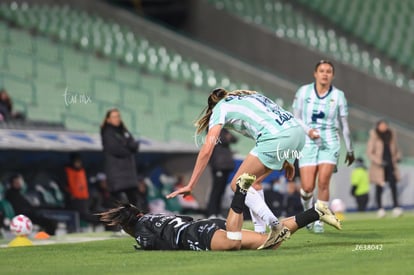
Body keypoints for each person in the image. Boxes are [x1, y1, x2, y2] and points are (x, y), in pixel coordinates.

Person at [166, 88, 341, 248]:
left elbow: (207, 149)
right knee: (253, 183)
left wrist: (191, 184)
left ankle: (276, 226)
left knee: (237, 184)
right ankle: (260, 234)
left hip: (277, 138)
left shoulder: (220, 109)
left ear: (212, 107)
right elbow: (276, 117)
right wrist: (287, 158)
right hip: (296, 133)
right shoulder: (247, 96)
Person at [99, 173, 341, 251]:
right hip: (204, 225)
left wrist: (141, 247)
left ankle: (241, 192)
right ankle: (316, 211)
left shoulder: (140, 231)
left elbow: (153, 243)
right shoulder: (151, 215)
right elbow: (182, 218)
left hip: (201, 237)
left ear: (127, 225)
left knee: (232, 242)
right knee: (271, 242)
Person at [292, 60, 354, 233]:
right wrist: (308, 130)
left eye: (328, 71)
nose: (325, 74)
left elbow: (344, 124)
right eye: (322, 71)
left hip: (330, 142)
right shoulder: (303, 92)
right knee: (307, 188)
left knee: (324, 182)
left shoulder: (339, 95)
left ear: (332, 75)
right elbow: (295, 117)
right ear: (315, 73)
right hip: (307, 141)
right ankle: (307, 215)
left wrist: (349, 149)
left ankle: (318, 218)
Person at [101, 108, 140, 207]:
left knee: (134, 203)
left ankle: (135, 221)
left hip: (129, 175)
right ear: (108, 119)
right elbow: (116, 149)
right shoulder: (107, 133)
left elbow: (134, 145)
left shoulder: (124, 131)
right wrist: (128, 148)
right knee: (119, 205)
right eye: (114, 117)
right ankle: (119, 222)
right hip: (116, 176)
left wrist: (127, 145)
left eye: (118, 116)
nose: (117, 119)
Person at [366, 119, 402, 218]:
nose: (383, 127)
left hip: (391, 164)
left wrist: (397, 157)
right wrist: (379, 162)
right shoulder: (374, 136)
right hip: (379, 166)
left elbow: (396, 149)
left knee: (393, 186)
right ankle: (380, 209)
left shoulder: (391, 135)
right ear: (378, 126)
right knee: (379, 187)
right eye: (381, 125)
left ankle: (396, 207)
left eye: (385, 125)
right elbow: (369, 152)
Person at [207, 128, 238, 218]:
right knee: (216, 190)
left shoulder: (224, 129)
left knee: (222, 191)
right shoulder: (213, 128)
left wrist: (228, 136)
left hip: (226, 166)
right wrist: (226, 137)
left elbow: (235, 139)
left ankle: (217, 212)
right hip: (218, 165)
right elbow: (221, 139)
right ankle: (211, 213)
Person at [64, 153, 100, 225]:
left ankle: (100, 222)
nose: (78, 164)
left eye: (79, 162)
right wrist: (69, 194)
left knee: (88, 213)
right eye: (76, 162)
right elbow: (64, 185)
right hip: (74, 199)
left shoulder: (83, 171)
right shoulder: (67, 171)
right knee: (83, 215)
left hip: (85, 198)